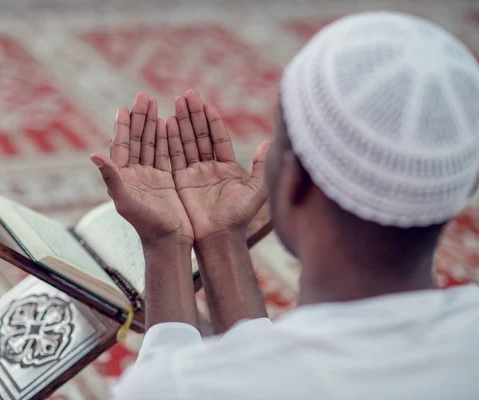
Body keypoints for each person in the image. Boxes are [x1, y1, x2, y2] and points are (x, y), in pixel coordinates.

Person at [90, 11, 479, 400]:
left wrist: (164, 247)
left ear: (294, 181)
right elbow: (267, 378)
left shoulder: (178, 387)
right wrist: (221, 240)